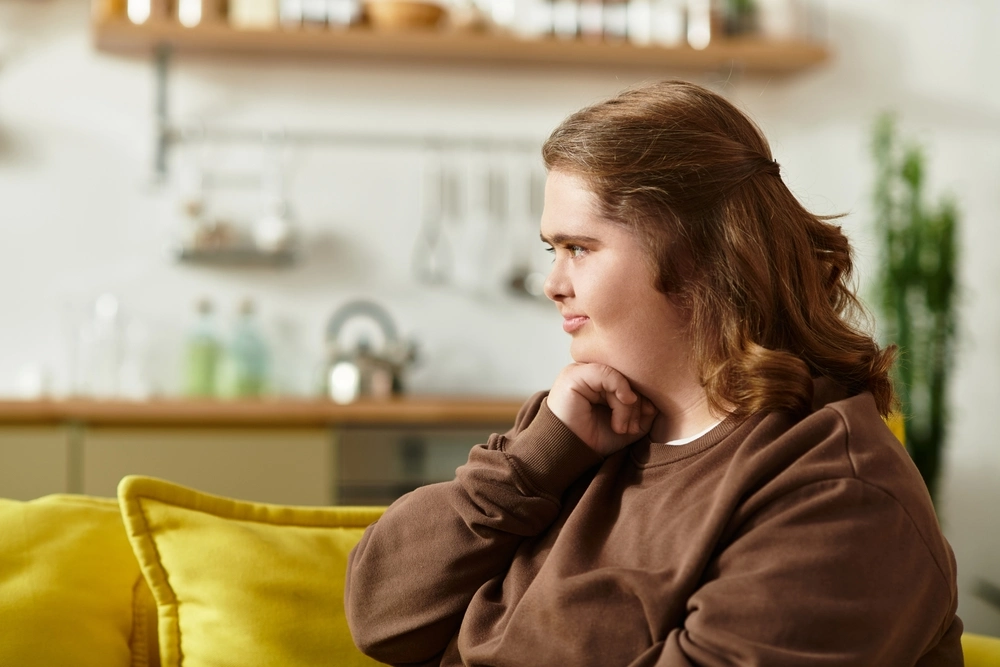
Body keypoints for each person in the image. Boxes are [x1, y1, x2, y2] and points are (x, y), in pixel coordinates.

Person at [345, 80, 962, 666]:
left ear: (699, 257)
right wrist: (532, 463)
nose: (552, 284)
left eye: (578, 248)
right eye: (550, 251)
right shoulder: (573, 435)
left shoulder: (837, 493)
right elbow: (381, 619)